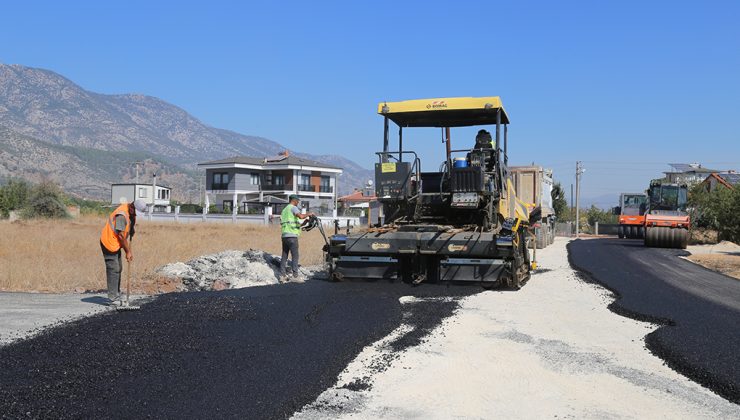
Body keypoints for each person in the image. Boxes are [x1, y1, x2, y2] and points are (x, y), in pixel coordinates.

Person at [100, 199, 148, 305]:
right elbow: (121, 236)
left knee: (119, 267)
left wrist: (132, 230)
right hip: (109, 242)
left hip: (116, 242)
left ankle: (116, 293)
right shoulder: (122, 215)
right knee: (114, 268)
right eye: (135, 212)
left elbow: (130, 223)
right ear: (132, 207)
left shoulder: (130, 212)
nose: (135, 214)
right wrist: (128, 251)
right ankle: (112, 298)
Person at [279, 194, 314, 282]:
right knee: (295, 256)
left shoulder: (284, 210)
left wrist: (304, 223)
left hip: (284, 236)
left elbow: (293, 223)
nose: (298, 202)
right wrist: (309, 214)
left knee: (284, 255)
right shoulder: (293, 207)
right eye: (298, 201)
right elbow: (301, 216)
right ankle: (295, 276)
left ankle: (282, 276)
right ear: (294, 200)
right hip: (292, 237)